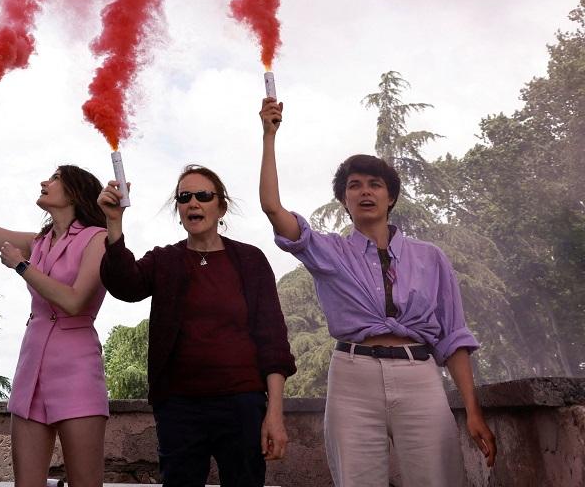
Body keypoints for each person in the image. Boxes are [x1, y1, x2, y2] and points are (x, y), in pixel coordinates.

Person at [257, 96, 497, 486]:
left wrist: (473, 410)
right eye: (354, 186)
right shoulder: (329, 252)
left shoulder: (430, 258)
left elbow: (454, 337)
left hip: (419, 373)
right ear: (344, 199)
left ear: (390, 196)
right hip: (353, 375)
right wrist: (269, 136)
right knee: (357, 479)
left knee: (438, 478)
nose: (365, 192)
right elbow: (272, 207)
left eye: (375, 184)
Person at [99, 164, 295, 487]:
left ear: (221, 207)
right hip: (179, 407)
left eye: (203, 195)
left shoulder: (250, 261)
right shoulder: (165, 260)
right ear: (178, 209)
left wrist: (274, 413)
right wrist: (114, 223)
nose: (193, 203)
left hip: (243, 406)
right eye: (184, 197)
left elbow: (273, 342)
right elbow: (125, 285)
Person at [0, 133, 109, 487]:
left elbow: (75, 301)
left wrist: (22, 267)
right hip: (31, 371)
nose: (45, 181)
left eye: (55, 178)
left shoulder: (98, 239)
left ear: (74, 191)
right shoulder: (37, 242)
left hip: (77, 371)